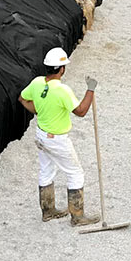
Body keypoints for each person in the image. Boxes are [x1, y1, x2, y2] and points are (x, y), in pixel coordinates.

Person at [19, 47, 99, 225]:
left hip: (41, 135)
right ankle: (77, 216)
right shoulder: (62, 90)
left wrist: (39, 111)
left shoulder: (37, 82)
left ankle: (48, 211)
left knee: (46, 171)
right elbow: (80, 111)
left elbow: (23, 99)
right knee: (75, 173)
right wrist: (90, 90)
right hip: (57, 139)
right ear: (61, 69)